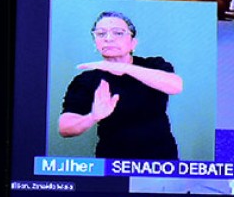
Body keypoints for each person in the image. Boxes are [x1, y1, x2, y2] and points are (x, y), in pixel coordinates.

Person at [59, 11, 182, 159]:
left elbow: (175, 86)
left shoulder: (153, 65)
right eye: (101, 34)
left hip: (159, 157)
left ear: (133, 43)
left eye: (118, 33)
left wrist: (120, 67)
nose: (108, 38)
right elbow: (65, 128)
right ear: (95, 42)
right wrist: (93, 117)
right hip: (113, 159)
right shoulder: (85, 80)